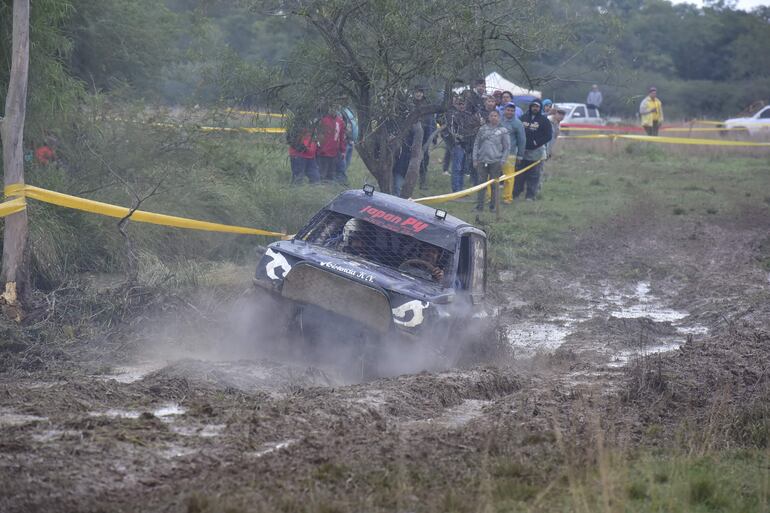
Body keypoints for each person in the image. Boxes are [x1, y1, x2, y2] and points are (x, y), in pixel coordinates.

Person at [472, 110, 509, 211]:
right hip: (482, 160)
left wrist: (503, 160)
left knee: (494, 185)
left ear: (499, 118)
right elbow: (476, 144)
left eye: (495, 116)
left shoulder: (503, 131)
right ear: (488, 117)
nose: (493, 117)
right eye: (491, 115)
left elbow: (507, 147)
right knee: (481, 184)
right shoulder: (482, 129)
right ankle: (479, 206)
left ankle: (493, 206)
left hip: (495, 161)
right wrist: (475, 159)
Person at [516, 99, 552, 201]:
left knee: (534, 175)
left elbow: (548, 135)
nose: (535, 108)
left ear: (540, 108)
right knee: (519, 175)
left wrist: (537, 142)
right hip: (522, 151)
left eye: (537, 107)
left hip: (537, 152)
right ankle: (516, 193)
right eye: (533, 106)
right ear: (530, 107)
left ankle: (530, 196)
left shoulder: (544, 120)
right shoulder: (523, 118)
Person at [499, 102, 526, 204]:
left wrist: (520, 155)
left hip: (510, 154)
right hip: (495, 153)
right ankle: (490, 197)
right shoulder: (498, 120)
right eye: (508, 110)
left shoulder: (518, 123)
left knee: (509, 177)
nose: (510, 112)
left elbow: (522, 140)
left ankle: (507, 198)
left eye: (512, 110)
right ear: (504, 110)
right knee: (491, 176)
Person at [413, 85, 436, 190]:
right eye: (416, 92)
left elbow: (432, 121)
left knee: (424, 158)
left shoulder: (428, 104)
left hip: (425, 136)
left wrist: (433, 137)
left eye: (420, 92)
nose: (418, 94)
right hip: (412, 136)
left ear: (423, 93)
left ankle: (423, 182)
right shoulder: (410, 104)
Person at [317, 108, 347, 182]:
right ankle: (320, 186)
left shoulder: (340, 122)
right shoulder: (323, 120)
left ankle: (329, 186)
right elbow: (318, 136)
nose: (333, 110)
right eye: (332, 108)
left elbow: (342, 137)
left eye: (335, 108)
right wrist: (320, 148)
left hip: (334, 152)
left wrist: (343, 150)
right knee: (322, 173)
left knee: (331, 174)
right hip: (323, 152)